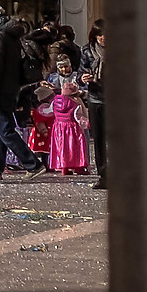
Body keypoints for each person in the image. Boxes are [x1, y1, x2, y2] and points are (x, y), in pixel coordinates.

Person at [0, 2, 47, 180]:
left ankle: (33, 164)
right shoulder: (11, 34)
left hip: (0, 88)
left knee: (5, 130)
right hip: (11, 87)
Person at [44, 52, 93, 174]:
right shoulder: (53, 78)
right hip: (61, 114)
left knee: (81, 140)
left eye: (66, 66)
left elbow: (86, 90)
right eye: (61, 67)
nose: (64, 69)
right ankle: (63, 163)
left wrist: (80, 93)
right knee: (63, 142)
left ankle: (81, 163)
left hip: (76, 109)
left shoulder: (77, 77)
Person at [82, 21, 108, 190]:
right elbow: (79, 71)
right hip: (95, 97)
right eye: (99, 35)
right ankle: (103, 175)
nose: (103, 39)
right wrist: (83, 78)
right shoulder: (87, 51)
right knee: (98, 139)